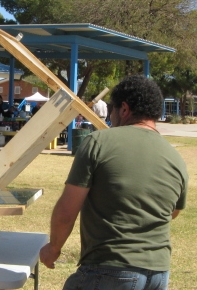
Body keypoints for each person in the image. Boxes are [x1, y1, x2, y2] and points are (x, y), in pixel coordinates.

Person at [39, 75, 188, 290]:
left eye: (113, 110)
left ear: (124, 109)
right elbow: (173, 211)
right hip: (158, 273)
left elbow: (66, 212)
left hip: (109, 268)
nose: (111, 116)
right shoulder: (175, 158)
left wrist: (53, 248)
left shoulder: (97, 143)